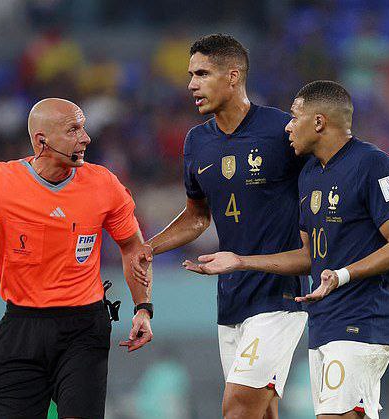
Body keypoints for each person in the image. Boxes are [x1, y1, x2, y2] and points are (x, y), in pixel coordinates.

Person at [184, 80, 389, 419]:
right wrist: (241, 261)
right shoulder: (308, 176)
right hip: (323, 321)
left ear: (319, 122)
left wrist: (342, 275)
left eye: (295, 117)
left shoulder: (373, 164)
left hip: (363, 318)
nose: (288, 126)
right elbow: (308, 257)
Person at [0, 98, 154, 419]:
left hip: (83, 330)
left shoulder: (104, 184)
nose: (86, 138)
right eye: (74, 129)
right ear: (41, 141)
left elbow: (133, 247)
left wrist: (143, 307)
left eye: (84, 128)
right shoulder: (0, 182)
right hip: (22, 330)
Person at [131, 34, 306, 419]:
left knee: (238, 408)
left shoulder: (283, 131)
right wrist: (149, 247)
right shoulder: (197, 142)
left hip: (279, 299)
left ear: (233, 76)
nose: (191, 84)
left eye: (202, 73)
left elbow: (324, 185)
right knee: (262, 411)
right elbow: (197, 215)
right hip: (230, 299)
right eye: (190, 74)